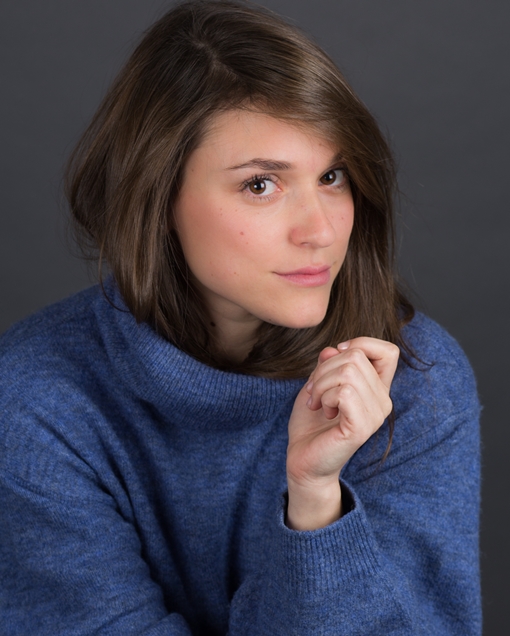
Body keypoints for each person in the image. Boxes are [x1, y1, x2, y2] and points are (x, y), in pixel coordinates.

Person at [0, 1, 481, 634]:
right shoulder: (38, 400)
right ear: (157, 198)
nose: (320, 231)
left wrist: (316, 504)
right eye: (261, 184)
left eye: (332, 176)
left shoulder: (415, 380)